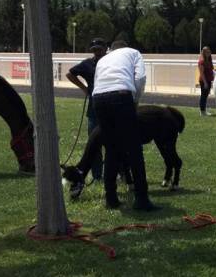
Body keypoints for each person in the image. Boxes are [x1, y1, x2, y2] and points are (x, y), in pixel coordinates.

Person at [92, 40, 158, 211]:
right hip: (121, 95)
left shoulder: (103, 59)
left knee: (112, 148)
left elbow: (98, 80)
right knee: (134, 148)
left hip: (98, 98)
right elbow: (141, 78)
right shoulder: (134, 53)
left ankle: (111, 198)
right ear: (125, 47)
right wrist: (135, 100)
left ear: (111, 49)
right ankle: (142, 199)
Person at [65, 38, 107, 183]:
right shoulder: (87, 64)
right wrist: (84, 88)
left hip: (111, 108)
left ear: (105, 49)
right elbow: (70, 74)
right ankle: (97, 176)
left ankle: (117, 173)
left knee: (114, 143)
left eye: (99, 49)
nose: (97, 52)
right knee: (94, 144)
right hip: (94, 110)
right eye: (94, 50)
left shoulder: (111, 63)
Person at [197, 46, 215, 116]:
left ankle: (204, 110)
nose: (209, 53)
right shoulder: (201, 61)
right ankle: (202, 111)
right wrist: (205, 83)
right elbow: (201, 73)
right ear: (204, 53)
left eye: (209, 51)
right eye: (207, 52)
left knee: (206, 95)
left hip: (209, 80)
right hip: (204, 81)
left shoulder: (209, 60)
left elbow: (211, 69)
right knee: (203, 96)